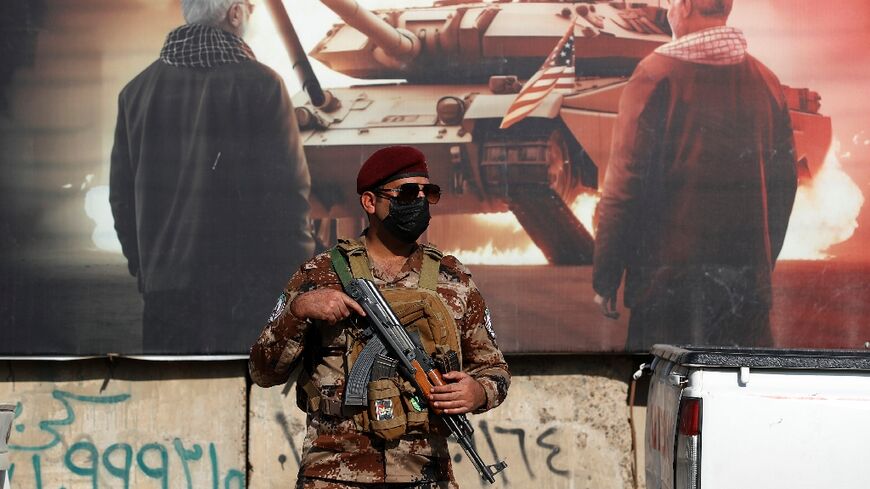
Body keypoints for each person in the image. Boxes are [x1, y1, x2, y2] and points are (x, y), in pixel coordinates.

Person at [249, 145, 510, 489]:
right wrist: (299, 312)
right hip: (335, 473)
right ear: (370, 202)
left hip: (424, 474)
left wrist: (477, 391)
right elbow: (263, 372)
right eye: (405, 192)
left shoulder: (454, 281)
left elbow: (494, 369)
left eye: (426, 193)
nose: (418, 201)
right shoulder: (320, 274)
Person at [592, 0, 798, 350]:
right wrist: (760, 266)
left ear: (685, 5)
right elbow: (785, 187)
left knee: (662, 400)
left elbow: (624, 187)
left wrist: (606, 277)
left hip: (668, 293)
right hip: (745, 295)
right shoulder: (767, 81)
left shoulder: (655, 75)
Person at [109, 0, 313, 353]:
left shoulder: (135, 92)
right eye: (248, 8)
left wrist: (146, 271)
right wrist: (298, 279)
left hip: (164, 291)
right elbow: (287, 196)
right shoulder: (263, 85)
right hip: (244, 294)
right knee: (243, 399)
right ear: (234, 13)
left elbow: (121, 199)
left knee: (173, 395)